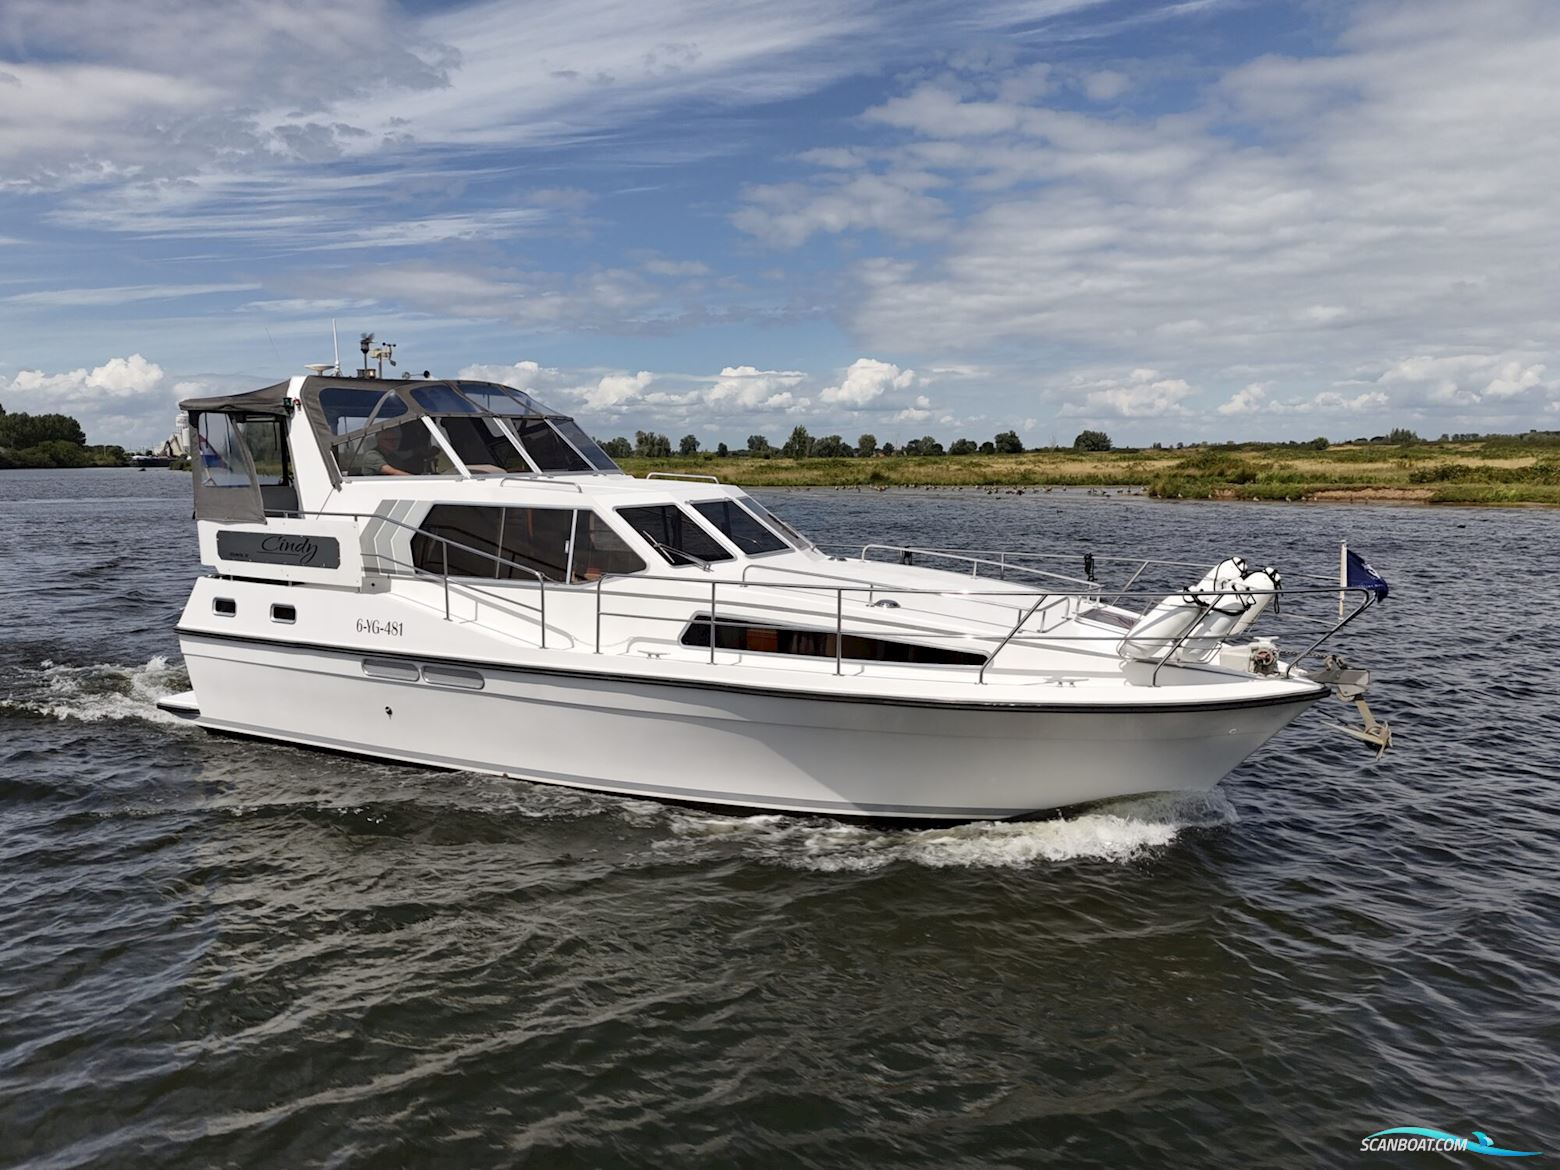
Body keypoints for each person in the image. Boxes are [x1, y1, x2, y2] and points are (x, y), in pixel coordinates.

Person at [349, 426, 414, 476]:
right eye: (389, 440)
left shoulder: (393, 456)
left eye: (396, 439)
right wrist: (417, 479)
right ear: (379, 441)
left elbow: (403, 464)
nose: (394, 443)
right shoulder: (371, 456)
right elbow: (392, 472)